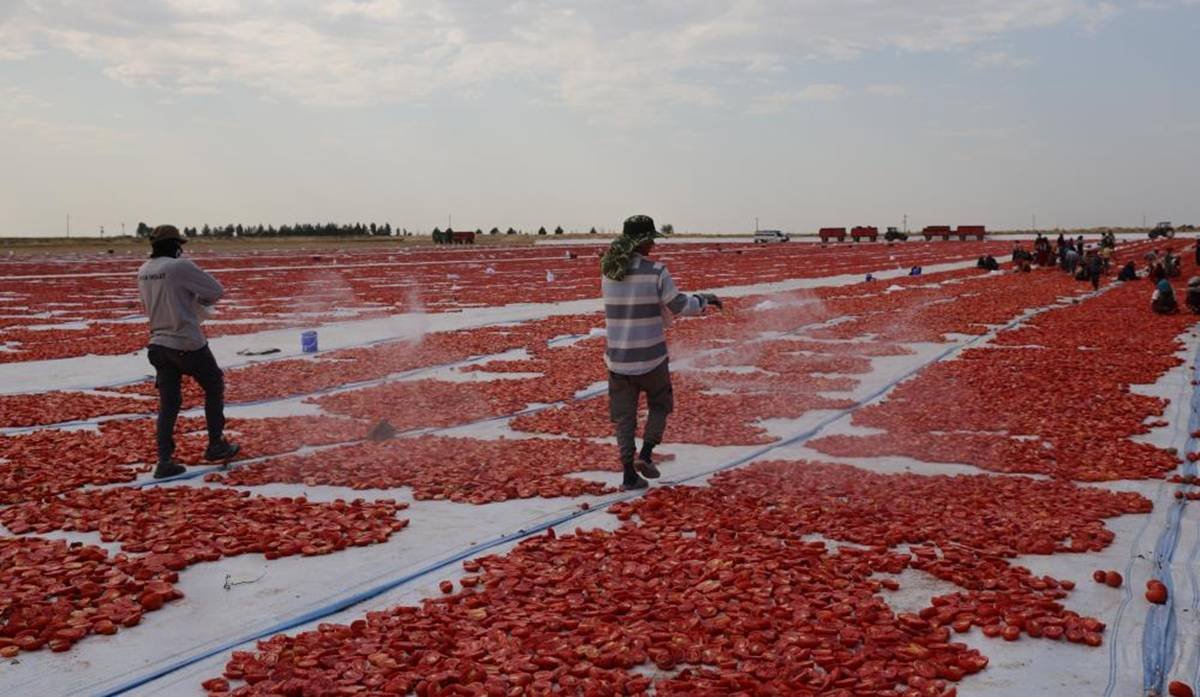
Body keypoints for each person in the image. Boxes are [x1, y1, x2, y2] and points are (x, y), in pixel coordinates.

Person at [601, 215, 721, 490]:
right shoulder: (656, 271)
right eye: (650, 239)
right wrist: (705, 300)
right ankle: (646, 455)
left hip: (618, 359)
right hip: (651, 357)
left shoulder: (609, 272)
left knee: (624, 417)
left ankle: (629, 475)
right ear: (640, 242)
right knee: (659, 403)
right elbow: (678, 305)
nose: (654, 243)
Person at [137, 225, 239, 478]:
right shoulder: (178, 266)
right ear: (175, 245)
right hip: (186, 341)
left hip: (158, 344)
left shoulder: (144, 270)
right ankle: (216, 444)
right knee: (214, 385)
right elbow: (216, 291)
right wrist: (198, 302)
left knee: (169, 404)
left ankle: (164, 461)